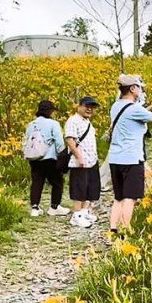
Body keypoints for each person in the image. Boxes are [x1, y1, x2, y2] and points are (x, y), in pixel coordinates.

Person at [108, 74, 152, 234]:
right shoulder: (135, 109)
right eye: (139, 86)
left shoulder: (115, 106)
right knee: (130, 197)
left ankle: (113, 229)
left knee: (118, 197)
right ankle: (125, 231)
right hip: (131, 158)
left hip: (115, 158)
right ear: (132, 89)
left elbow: (136, 114)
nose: (141, 89)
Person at [24, 100, 70, 217]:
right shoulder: (53, 124)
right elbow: (59, 142)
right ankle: (54, 206)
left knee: (37, 182)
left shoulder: (31, 124)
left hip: (34, 158)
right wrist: (63, 156)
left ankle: (35, 207)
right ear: (50, 111)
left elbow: (27, 140)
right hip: (50, 158)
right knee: (57, 182)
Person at [65, 96, 101, 228]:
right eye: (87, 106)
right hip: (80, 161)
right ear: (79, 106)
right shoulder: (73, 121)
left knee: (91, 188)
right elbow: (70, 140)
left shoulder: (87, 122)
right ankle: (77, 215)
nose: (89, 109)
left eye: (92, 107)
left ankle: (85, 212)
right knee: (79, 188)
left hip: (91, 160)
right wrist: (79, 157)